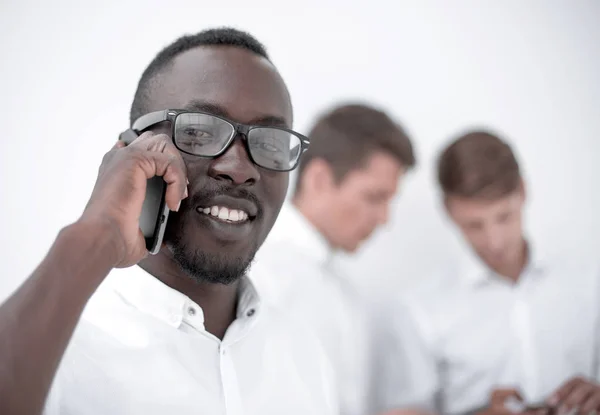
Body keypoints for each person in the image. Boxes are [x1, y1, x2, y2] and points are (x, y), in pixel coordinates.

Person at [0, 28, 339, 415]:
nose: (240, 168)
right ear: (129, 152)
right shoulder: (60, 346)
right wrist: (96, 233)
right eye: (197, 132)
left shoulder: (303, 355)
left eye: (270, 142)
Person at [379, 130, 600, 415]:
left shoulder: (589, 280)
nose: (494, 242)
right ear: (448, 210)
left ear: (522, 191)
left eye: (504, 217)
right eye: (474, 226)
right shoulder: (419, 310)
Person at [250, 103, 417, 415]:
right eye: (374, 197)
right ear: (319, 178)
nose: (384, 219)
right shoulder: (256, 273)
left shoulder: (346, 293)